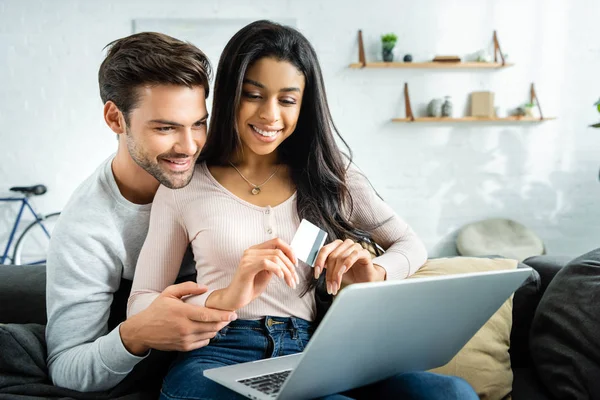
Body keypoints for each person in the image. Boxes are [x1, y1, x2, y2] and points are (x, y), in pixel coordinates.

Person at [128, 20, 478, 400]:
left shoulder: (330, 175)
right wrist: (224, 297)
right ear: (230, 94)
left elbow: (410, 245)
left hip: (314, 348)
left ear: (304, 105)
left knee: (450, 393)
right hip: (219, 350)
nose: (270, 116)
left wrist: (374, 274)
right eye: (253, 95)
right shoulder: (186, 184)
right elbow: (142, 300)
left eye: (287, 100)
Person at [45, 32, 237, 394]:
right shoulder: (87, 228)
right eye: (165, 128)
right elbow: (66, 365)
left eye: (198, 123)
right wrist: (137, 333)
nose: (189, 146)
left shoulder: (228, 168)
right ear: (116, 119)